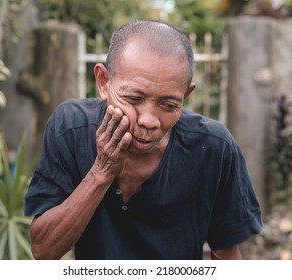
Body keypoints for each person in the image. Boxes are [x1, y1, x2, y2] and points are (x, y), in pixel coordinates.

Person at [24, 19, 262, 260]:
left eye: (168, 105)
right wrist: (101, 171)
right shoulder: (72, 128)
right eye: (133, 98)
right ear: (104, 82)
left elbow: (227, 253)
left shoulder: (213, 147)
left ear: (186, 95)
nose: (149, 120)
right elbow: (44, 251)